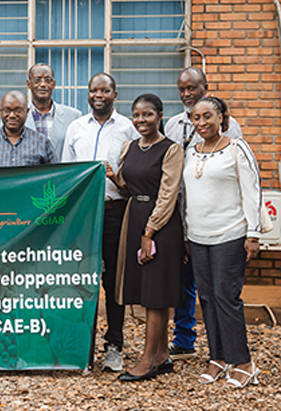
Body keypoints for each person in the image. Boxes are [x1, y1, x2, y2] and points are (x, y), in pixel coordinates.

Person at [163, 67, 243, 361]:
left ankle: (224, 349)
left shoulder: (228, 127)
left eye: (192, 88)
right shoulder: (172, 125)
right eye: (182, 89)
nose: (187, 93)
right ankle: (185, 340)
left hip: (218, 218)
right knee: (185, 282)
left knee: (218, 288)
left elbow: (239, 175)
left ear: (205, 88)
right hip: (182, 215)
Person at [184, 96, 261, 388]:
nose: (201, 123)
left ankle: (243, 362)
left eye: (207, 117)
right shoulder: (192, 151)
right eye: (196, 118)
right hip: (198, 237)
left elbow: (252, 191)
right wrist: (186, 236)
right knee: (206, 298)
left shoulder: (236, 148)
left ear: (221, 118)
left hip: (230, 235)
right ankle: (217, 358)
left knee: (226, 297)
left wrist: (253, 233)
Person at [62, 73, 137, 372]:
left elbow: (133, 175)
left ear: (115, 94)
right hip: (82, 215)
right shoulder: (75, 128)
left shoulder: (128, 129)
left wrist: (113, 178)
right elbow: (66, 174)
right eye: (94, 90)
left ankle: (114, 346)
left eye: (105, 90)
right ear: (88, 93)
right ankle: (82, 346)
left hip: (115, 211)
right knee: (81, 281)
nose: (99, 95)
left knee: (113, 281)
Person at [109, 94, 184, 382]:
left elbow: (168, 195)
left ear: (160, 115)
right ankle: (162, 355)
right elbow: (129, 188)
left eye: (148, 115)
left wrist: (149, 231)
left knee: (155, 294)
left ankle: (147, 360)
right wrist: (114, 177)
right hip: (134, 215)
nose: (141, 120)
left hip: (159, 224)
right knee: (147, 289)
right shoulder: (130, 147)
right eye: (137, 115)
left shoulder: (171, 150)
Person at [0, 90, 58, 167]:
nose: (12, 115)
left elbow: (54, 176)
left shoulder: (42, 142)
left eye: (18, 111)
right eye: (7, 110)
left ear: (27, 112)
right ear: (1, 112)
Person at [24, 63, 82, 158]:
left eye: (47, 80)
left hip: (63, 173)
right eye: (37, 80)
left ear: (53, 84)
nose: (43, 84)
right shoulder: (14, 117)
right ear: (29, 84)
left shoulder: (74, 116)